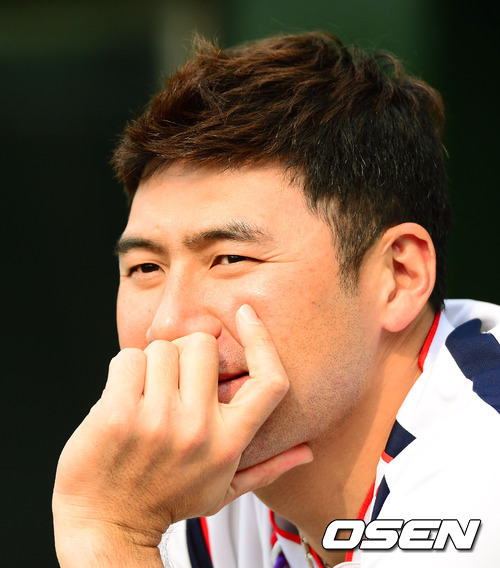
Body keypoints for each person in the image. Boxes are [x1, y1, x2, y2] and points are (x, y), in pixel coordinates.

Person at [52, 32, 500, 567]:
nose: (168, 325)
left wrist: (111, 532)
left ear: (398, 276)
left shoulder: (483, 464)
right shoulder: (180, 478)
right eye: (146, 268)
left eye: (229, 258)